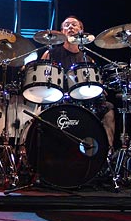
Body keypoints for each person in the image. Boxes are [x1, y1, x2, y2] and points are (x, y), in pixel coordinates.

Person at [41, 16, 115, 149]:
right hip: (57, 99)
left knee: (108, 108)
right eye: (66, 25)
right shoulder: (50, 54)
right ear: (62, 32)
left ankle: (105, 152)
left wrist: (99, 87)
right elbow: (41, 79)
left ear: (81, 31)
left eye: (74, 25)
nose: (70, 27)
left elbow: (95, 83)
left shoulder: (88, 59)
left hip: (84, 101)